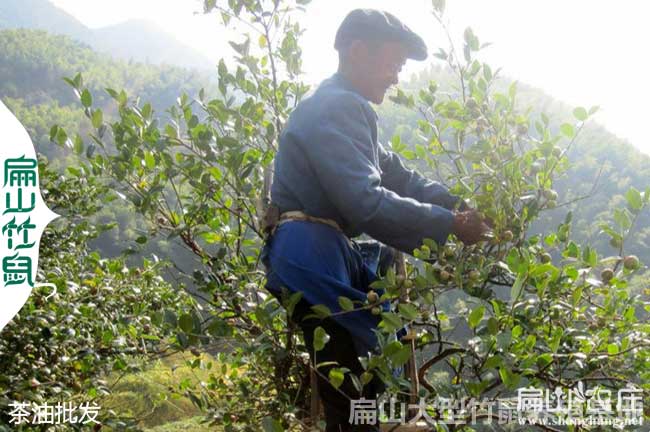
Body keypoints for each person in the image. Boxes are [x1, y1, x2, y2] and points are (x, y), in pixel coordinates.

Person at [260, 8, 490, 431]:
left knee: (354, 381)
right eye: (394, 63)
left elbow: (399, 176)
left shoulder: (345, 107)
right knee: (353, 382)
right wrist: (451, 225)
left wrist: (459, 204)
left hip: (320, 252)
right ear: (358, 51)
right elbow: (365, 201)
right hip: (310, 256)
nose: (396, 77)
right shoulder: (336, 107)